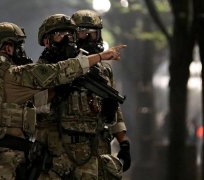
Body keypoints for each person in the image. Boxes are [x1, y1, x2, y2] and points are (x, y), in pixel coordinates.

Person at [0, 21, 125, 180]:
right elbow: (59, 71)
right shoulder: (15, 75)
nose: (20, 51)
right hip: (9, 162)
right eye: (18, 45)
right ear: (7, 47)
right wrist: (100, 57)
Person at [34, 13, 127, 179]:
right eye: (59, 35)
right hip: (57, 151)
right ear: (47, 41)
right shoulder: (43, 69)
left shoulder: (99, 69)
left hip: (93, 150)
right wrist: (59, 90)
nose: (66, 39)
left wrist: (124, 142)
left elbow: (113, 109)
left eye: (69, 35)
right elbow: (35, 107)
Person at [72, 9, 131, 179]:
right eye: (83, 33)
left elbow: (115, 108)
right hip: (65, 145)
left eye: (93, 33)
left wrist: (124, 143)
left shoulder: (104, 70)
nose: (89, 38)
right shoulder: (63, 66)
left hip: (97, 145)